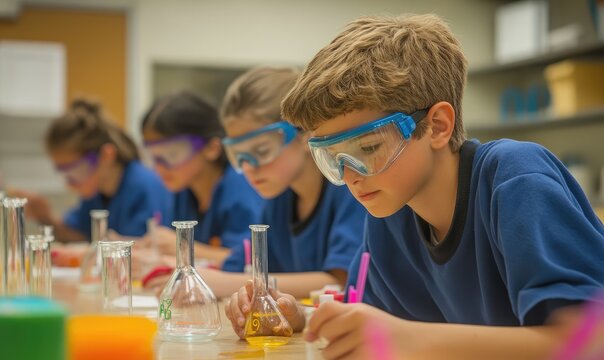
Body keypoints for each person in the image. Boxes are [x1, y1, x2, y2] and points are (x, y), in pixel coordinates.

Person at [226, 14, 604, 359]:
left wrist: (407, 339)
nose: (351, 175)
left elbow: (588, 344)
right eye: (333, 157)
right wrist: (302, 320)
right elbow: (378, 322)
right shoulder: (390, 211)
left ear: (437, 125)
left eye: (368, 148)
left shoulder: (515, 178)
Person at [144, 68, 366, 302]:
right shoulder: (279, 198)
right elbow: (242, 263)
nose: (248, 167)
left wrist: (220, 283)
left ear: (306, 134)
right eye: (238, 155)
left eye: (261, 150)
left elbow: (339, 282)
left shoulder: (347, 187)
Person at [11, 99, 172, 243]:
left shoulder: (144, 186)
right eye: (64, 173)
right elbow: (79, 234)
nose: (70, 183)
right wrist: (44, 217)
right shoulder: (96, 194)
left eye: (76, 172)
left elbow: (147, 251)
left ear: (106, 156)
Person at [140, 91, 264, 266]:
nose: (160, 166)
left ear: (212, 148)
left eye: (172, 154)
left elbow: (251, 260)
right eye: (154, 155)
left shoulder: (239, 187)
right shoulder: (183, 191)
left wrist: (183, 247)